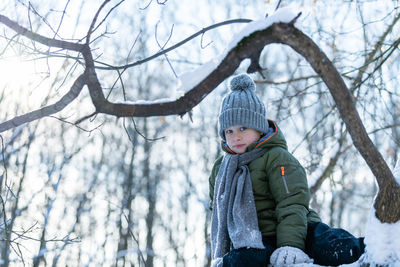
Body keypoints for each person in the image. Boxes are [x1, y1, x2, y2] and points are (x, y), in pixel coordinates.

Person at [209, 73, 365, 267]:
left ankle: (373, 252)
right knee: (239, 261)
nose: (235, 137)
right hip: (255, 239)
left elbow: (292, 203)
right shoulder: (221, 168)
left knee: (329, 246)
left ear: (259, 128)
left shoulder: (276, 157)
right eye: (229, 131)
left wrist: (290, 245)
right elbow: (216, 209)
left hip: (299, 228)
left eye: (243, 128)